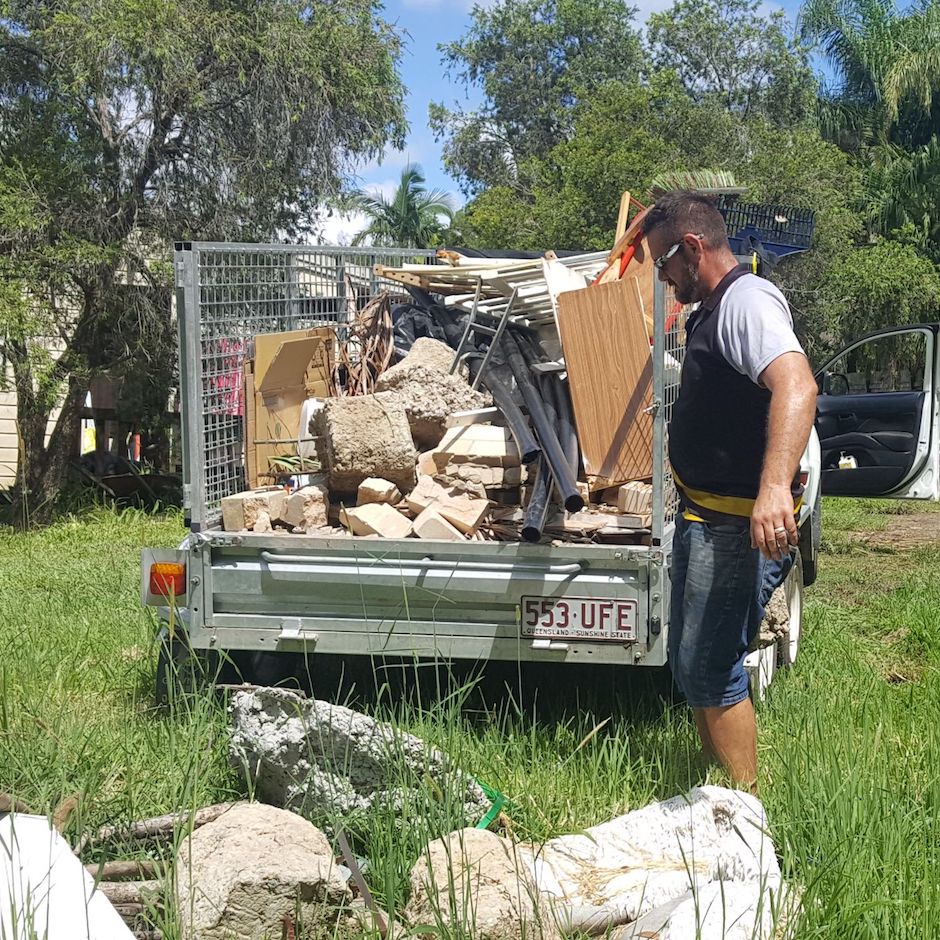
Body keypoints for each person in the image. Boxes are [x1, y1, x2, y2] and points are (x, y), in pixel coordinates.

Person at [641, 191, 818, 792]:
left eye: (664, 262)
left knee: (712, 665)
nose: (662, 277)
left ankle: (747, 808)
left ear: (692, 248)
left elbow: (797, 385)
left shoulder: (746, 301)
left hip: (734, 526)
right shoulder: (716, 307)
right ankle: (713, 793)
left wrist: (773, 487)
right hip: (703, 516)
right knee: (694, 662)